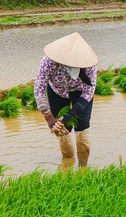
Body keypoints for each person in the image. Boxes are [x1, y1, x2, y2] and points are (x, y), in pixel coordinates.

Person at [34, 32, 98, 168]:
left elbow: (88, 92)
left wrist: (70, 114)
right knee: (62, 128)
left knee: (83, 126)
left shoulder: (89, 65)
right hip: (57, 91)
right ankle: (68, 162)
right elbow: (39, 90)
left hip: (80, 93)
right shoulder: (48, 62)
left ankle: (83, 167)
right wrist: (48, 117)